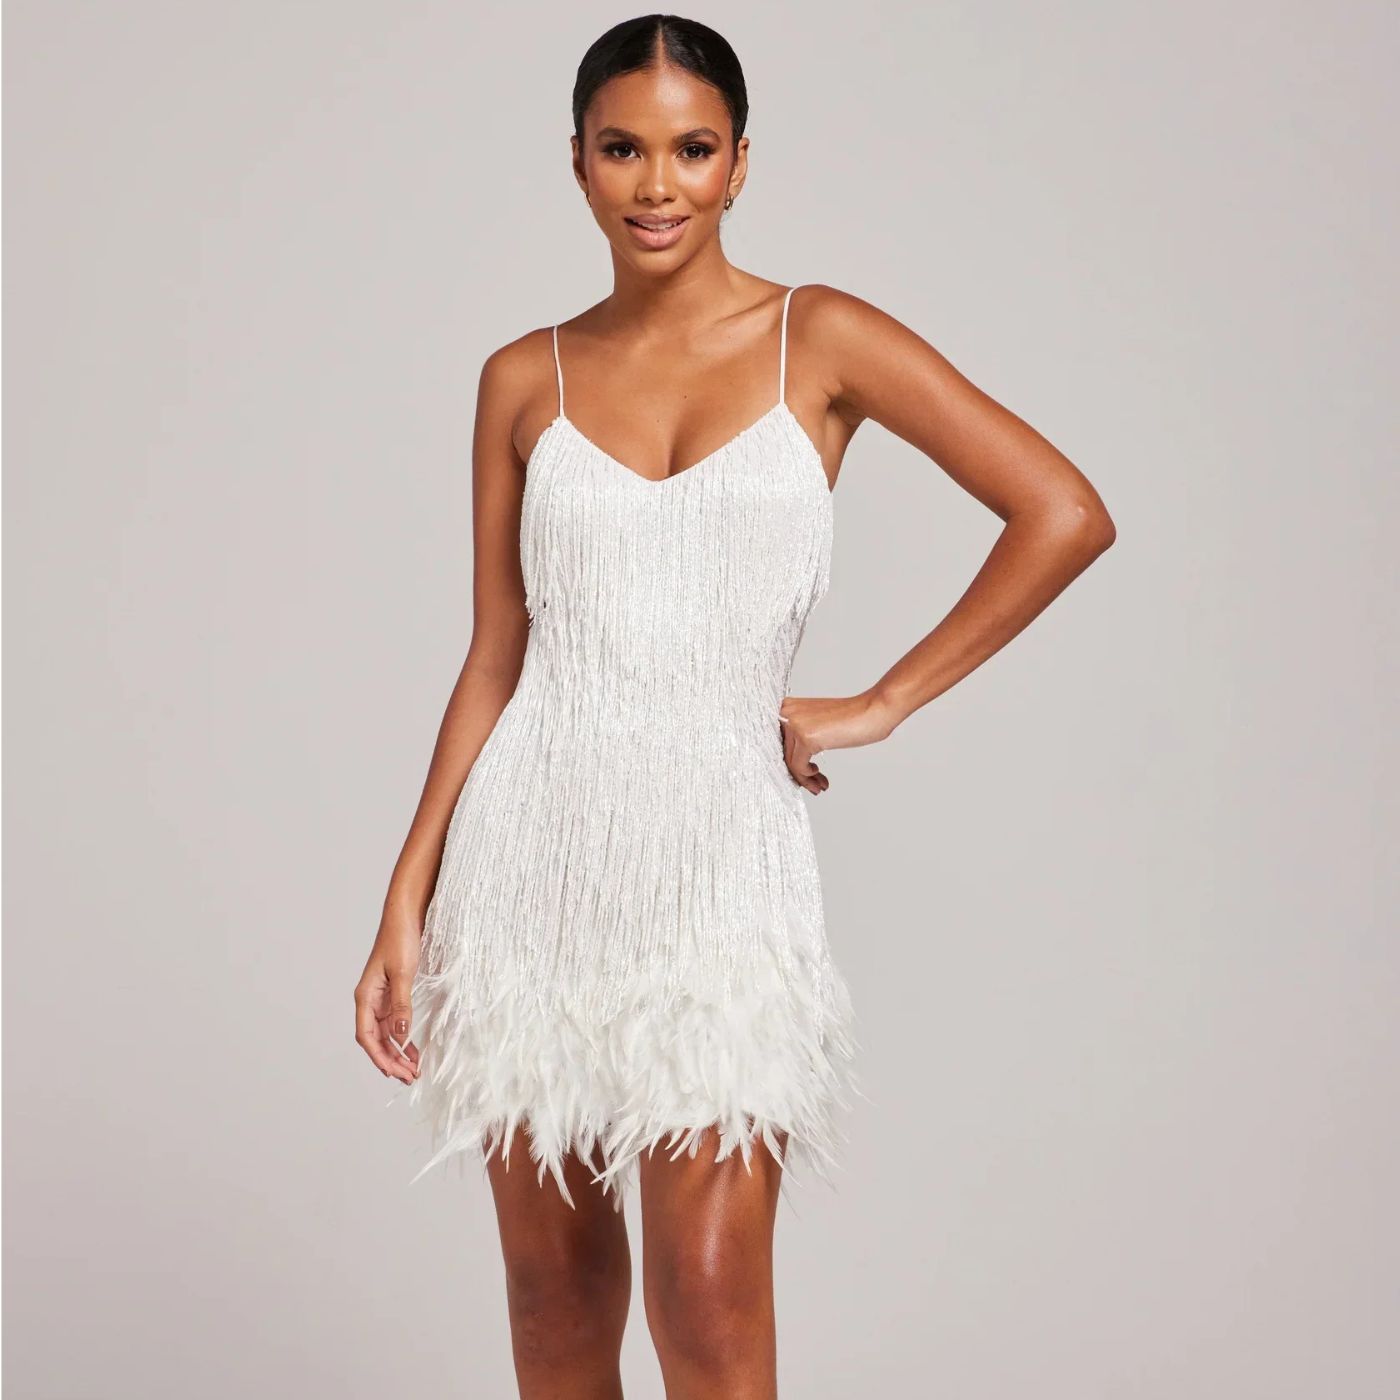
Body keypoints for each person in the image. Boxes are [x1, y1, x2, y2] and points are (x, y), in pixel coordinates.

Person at [355, 13, 1115, 1397]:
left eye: (692, 150)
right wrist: (406, 898)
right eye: (623, 150)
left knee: (706, 1311)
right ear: (577, 162)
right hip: (529, 863)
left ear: (741, 163)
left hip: (720, 864)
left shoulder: (817, 339)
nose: (658, 186)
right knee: (553, 1304)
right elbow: (496, 655)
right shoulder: (524, 377)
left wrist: (881, 703)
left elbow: (1062, 512)